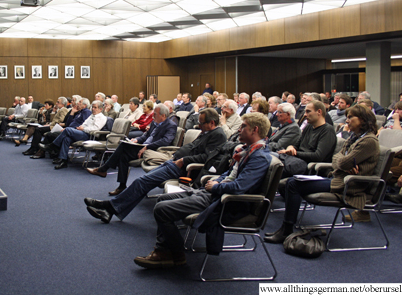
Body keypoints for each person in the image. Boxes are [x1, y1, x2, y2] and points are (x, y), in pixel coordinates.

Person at [132, 113, 272, 268]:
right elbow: (231, 174)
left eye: (243, 126)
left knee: (161, 209)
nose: (239, 129)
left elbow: (239, 187)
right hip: (216, 193)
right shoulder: (248, 150)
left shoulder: (259, 157)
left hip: (226, 202)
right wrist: (218, 180)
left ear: (255, 130)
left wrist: (217, 186)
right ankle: (165, 250)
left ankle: (175, 254)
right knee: (162, 199)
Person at [84, 109, 226, 223]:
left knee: (142, 181)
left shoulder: (218, 135)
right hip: (174, 161)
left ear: (212, 123)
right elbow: (192, 147)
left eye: (201, 123)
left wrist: (183, 160)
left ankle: (109, 207)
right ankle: (110, 210)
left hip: (183, 167)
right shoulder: (207, 132)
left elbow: (207, 157)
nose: (198, 126)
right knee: (142, 181)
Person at [265, 105, 380, 243]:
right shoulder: (354, 138)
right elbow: (337, 158)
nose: (347, 120)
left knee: (293, 184)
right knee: (292, 182)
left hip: (350, 185)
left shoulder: (368, 141)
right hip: (338, 178)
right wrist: (343, 163)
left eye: (350, 117)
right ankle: (286, 228)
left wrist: (342, 163)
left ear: (362, 120)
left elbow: (341, 162)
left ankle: (286, 229)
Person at [86, 104, 177, 195]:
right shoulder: (154, 122)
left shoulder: (171, 125)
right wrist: (137, 140)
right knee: (123, 156)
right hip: (143, 147)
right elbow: (146, 135)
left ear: (163, 116)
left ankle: (103, 169)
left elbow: (165, 141)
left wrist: (147, 147)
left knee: (123, 146)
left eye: (155, 114)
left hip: (153, 150)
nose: (153, 116)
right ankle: (121, 186)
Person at [40, 100, 107, 169]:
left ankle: (53, 146)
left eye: (95, 107)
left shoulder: (102, 117)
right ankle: (63, 161)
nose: (93, 109)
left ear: (100, 109)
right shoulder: (91, 115)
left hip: (89, 136)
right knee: (67, 139)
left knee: (67, 129)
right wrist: (80, 128)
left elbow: (95, 129)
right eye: (92, 107)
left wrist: (83, 129)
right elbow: (84, 124)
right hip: (82, 132)